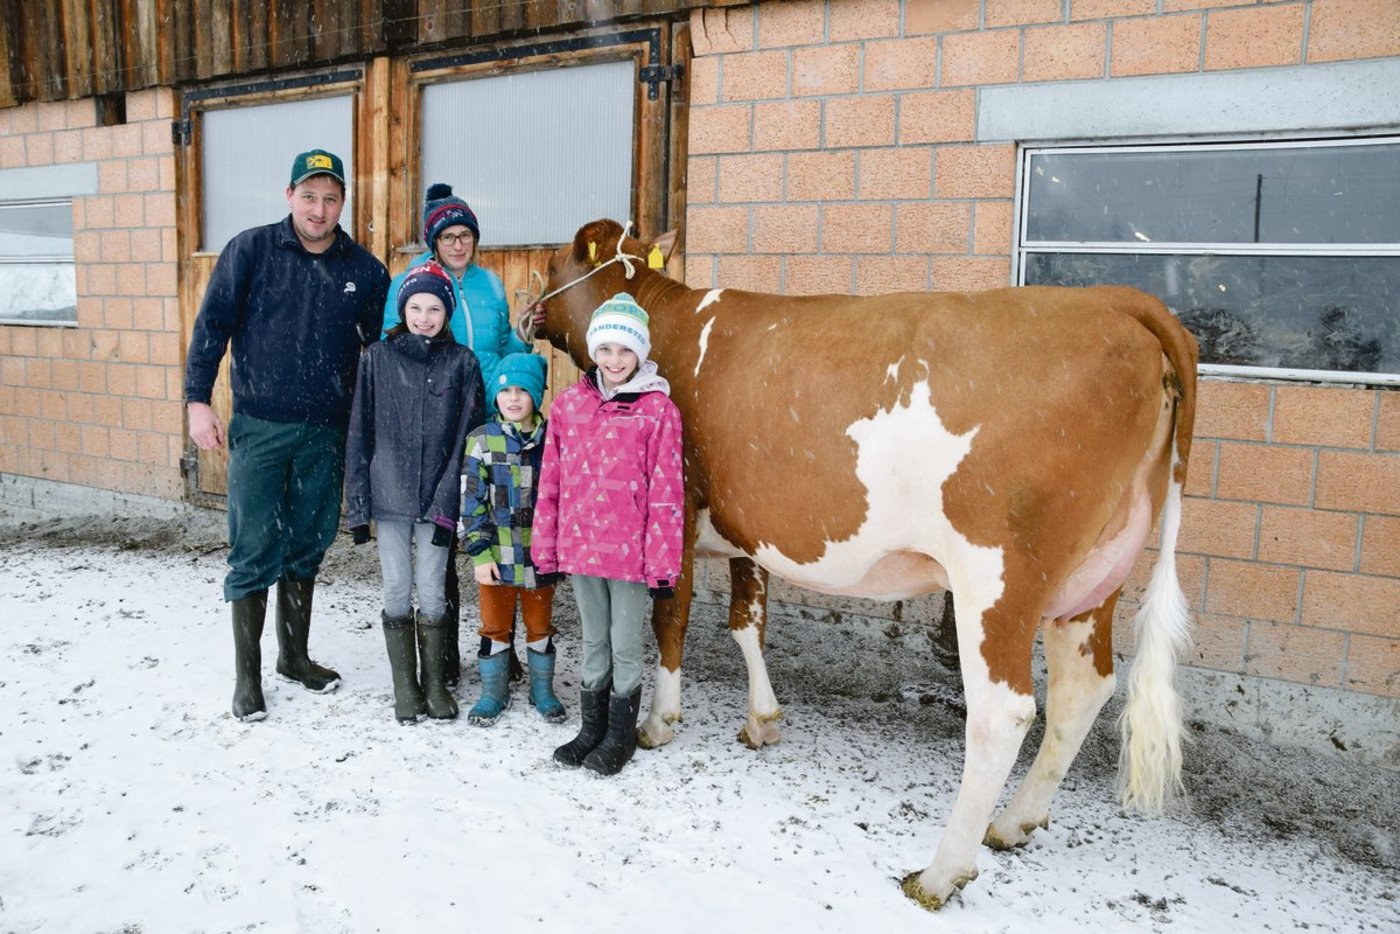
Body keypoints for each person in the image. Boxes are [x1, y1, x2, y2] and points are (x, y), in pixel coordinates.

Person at [184, 149, 390, 723]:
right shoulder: (250, 250)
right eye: (309, 196)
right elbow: (212, 327)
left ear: (342, 201)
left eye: (330, 198)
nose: (319, 209)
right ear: (289, 196)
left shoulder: (366, 271)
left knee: (308, 542)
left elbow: (381, 354)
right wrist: (198, 402)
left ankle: (293, 658)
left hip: (327, 433)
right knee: (253, 548)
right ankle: (246, 679)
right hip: (261, 429)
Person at [381, 183, 544, 687]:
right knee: (446, 530)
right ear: (434, 241)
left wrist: (525, 334)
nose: (457, 244)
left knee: (500, 531)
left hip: (490, 414)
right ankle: (443, 654)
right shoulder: (412, 284)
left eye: (465, 235)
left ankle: (498, 643)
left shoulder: (491, 284)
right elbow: (394, 343)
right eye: (448, 236)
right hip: (437, 416)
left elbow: (503, 343)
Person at [531, 293, 685, 776]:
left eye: (625, 351)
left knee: (624, 642)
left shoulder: (658, 410)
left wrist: (663, 563)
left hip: (630, 554)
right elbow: (551, 481)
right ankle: (591, 727)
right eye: (606, 350)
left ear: (640, 353)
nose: (614, 360)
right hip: (580, 549)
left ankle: (620, 733)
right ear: (593, 351)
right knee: (592, 640)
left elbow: (667, 494)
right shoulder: (568, 407)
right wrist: (546, 550)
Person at [344, 261, 485, 722]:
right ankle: (405, 685)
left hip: (438, 499)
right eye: (415, 307)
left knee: (431, 586)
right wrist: (359, 504)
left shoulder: (462, 363)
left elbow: (469, 434)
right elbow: (360, 432)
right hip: (390, 495)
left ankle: (434, 684)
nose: (424, 317)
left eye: (434, 308)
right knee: (396, 586)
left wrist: (454, 497)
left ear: (447, 313)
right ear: (403, 309)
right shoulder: (377, 359)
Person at [460, 352, 564, 726]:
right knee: (494, 625)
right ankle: (493, 691)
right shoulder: (482, 441)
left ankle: (542, 689)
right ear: (496, 397)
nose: (514, 398)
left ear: (536, 396)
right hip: (496, 555)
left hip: (540, 556)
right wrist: (479, 552)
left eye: (523, 390)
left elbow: (562, 496)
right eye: (506, 391)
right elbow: (470, 501)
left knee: (540, 625)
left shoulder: (553, 439)